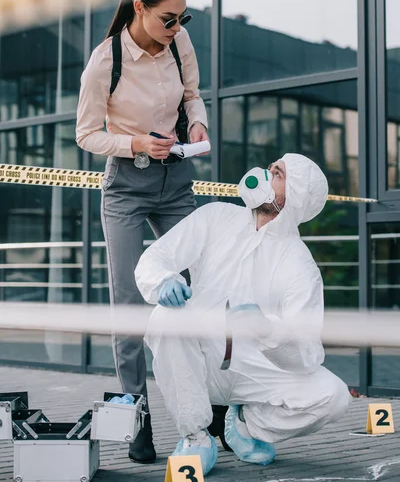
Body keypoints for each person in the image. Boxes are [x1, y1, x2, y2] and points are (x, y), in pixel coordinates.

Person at [135, 153, 351, 475]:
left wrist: (269, 330)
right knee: (165, 318)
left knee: (333, 396)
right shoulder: (215, 217)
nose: (265, 173)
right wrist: (163, 280)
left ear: (293, 198)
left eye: (277, 174)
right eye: (271, 167)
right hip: (200, 357)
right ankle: (196, 437)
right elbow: (158, 257)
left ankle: (244, 425)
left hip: (256, 367)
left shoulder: (299, 265)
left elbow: (306, 354)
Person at [75, 0, 209, 463]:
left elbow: (192, 95)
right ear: (139, 8)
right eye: (168, 19)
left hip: (175, 181)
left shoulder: (179, 42)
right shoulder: (102, 63)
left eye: (183, 17)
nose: (177, 27)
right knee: (130, 302)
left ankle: (206, 408)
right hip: (126, 186)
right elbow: (87, 135)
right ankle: (139, 418)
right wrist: (135, 142)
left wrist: (196, 122)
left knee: (197, 289)